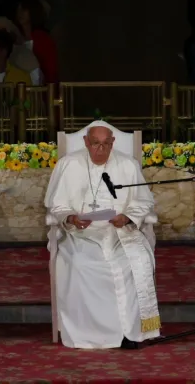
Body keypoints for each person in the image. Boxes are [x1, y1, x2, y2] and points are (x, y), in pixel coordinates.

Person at [44, 122, 161, 349]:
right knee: (80, 263)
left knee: (133, 263)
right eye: (95, 144)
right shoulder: (68, 165)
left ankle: (130, 332)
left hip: (120, 234)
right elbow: (56, 206)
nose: (101, 149)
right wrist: (71, 218)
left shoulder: (128, 164)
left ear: (113, 143)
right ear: (86, 142)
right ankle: (90, 334)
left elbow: (144, 200)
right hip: (81, 235)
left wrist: (127, 217)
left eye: (106, 144)